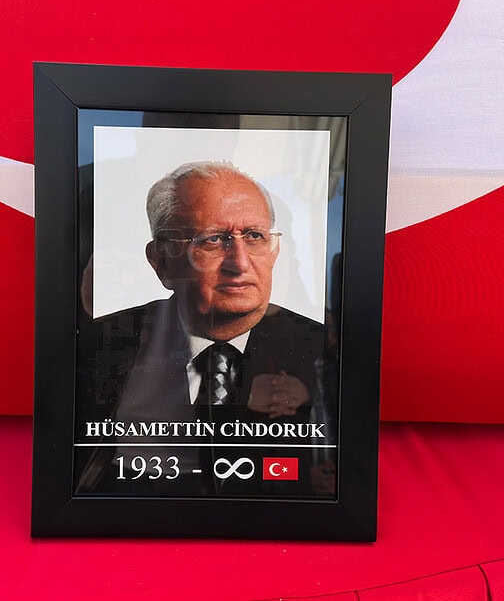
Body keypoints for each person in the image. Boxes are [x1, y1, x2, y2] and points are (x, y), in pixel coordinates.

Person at [75, 161, 334, 497]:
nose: (240, 263)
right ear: (161, 261)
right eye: (213, 240)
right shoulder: (103, 339)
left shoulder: (321, 345)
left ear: (275, 250)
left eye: (254, 236)